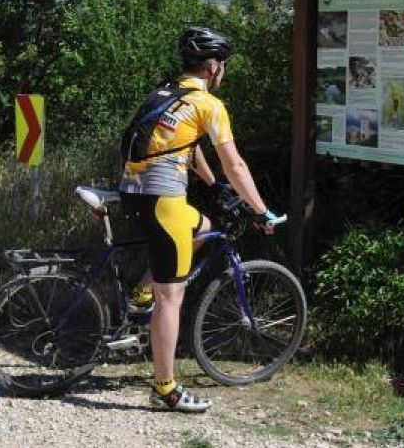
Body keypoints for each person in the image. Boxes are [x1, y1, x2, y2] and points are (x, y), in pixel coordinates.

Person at [119, 26, 282, 412]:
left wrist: (213, 186)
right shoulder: (210, 105)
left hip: (135, 192)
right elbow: (236, 164)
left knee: (203, 229)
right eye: (222, 65)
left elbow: (184, 146)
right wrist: (259, 210)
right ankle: (166, 389)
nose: (222, 71)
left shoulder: (166, 92)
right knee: (171, 298)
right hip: (163, 201)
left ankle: (141, 293)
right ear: (212, 67)